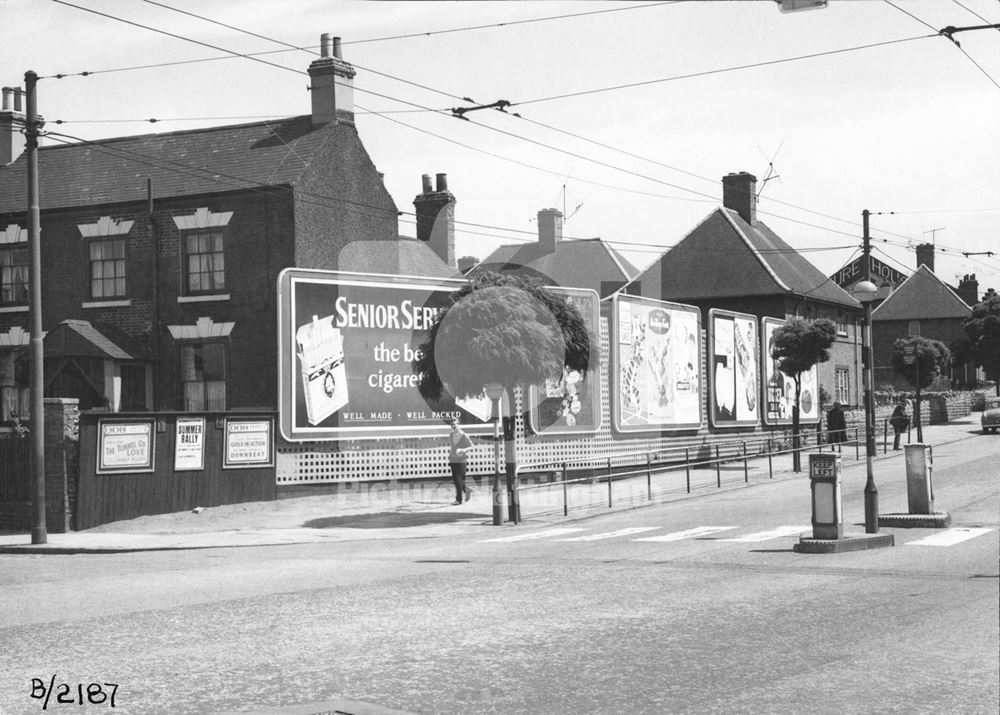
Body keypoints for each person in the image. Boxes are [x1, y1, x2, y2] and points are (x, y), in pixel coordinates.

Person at [447, 418, 474, 505]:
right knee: (456, 480)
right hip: (453, 459)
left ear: (459, 424)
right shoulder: (451, 435)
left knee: (459, 480)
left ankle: (459, 500)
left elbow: (471, 446)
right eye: (452, 425)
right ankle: (467, 490)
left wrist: (464, 450)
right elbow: (452, 446)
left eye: (455, 424)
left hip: (461, 459)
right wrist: (450, 455)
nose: (454, 426)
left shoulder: (464, 435)